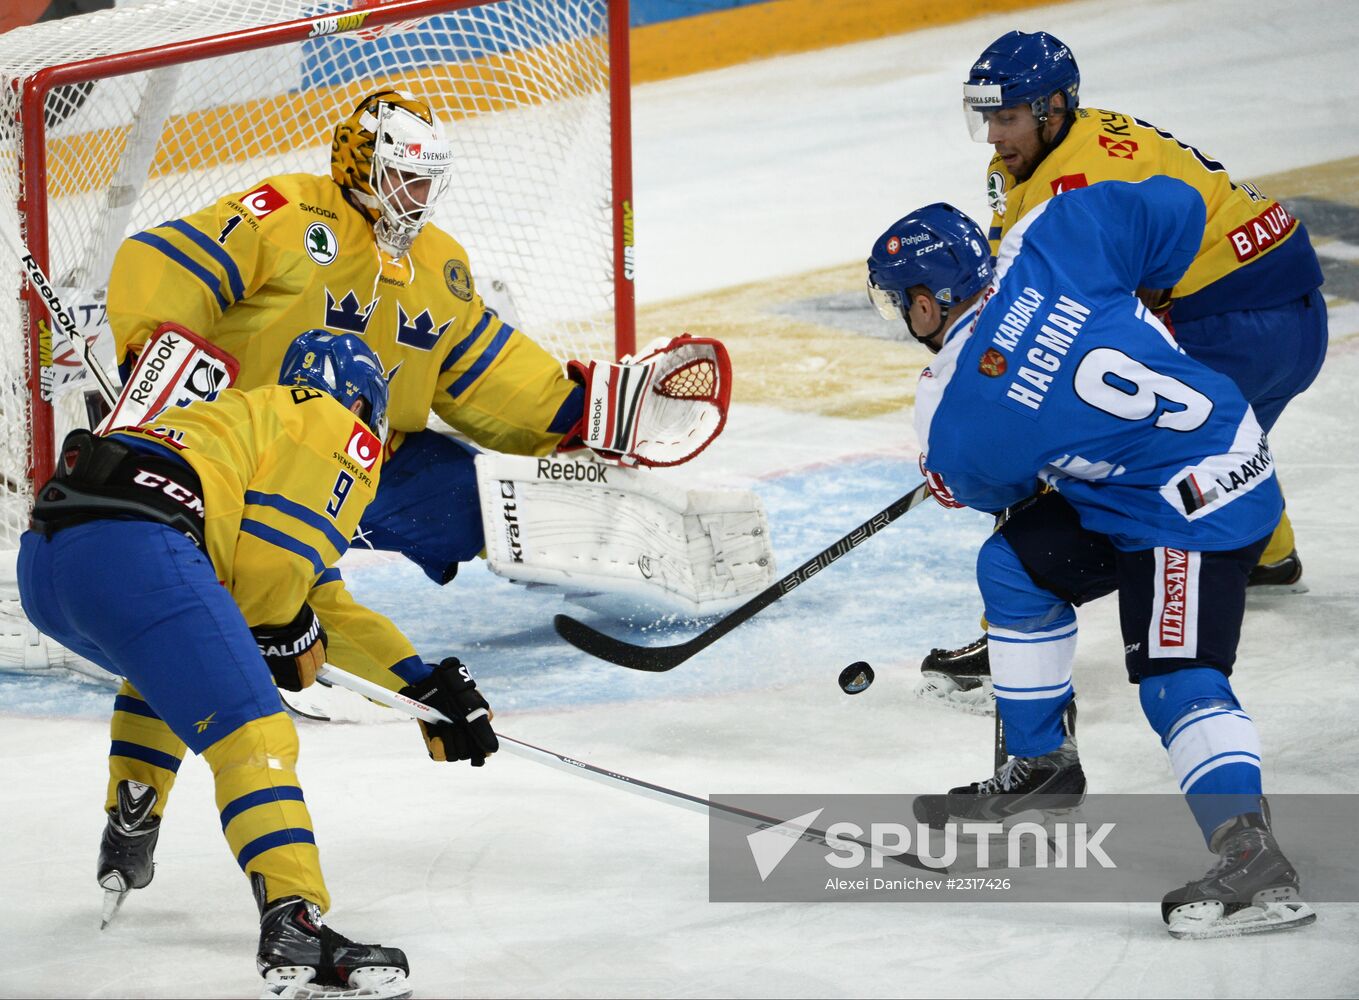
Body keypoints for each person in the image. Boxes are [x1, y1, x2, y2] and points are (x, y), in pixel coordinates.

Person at [865, 178, 1315, 938]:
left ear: (923, 302)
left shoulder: (954, 414)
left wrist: (955, 466)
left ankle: (1252, 856)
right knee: (1014, 564)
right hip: (1198, 452)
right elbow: (1177, 207)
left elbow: (988, 482)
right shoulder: (1056, 232)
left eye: (896, 303)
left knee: (1176, 679)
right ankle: (1042, 767)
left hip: (1195, 506)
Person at [18, 331, 498, 996]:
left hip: (47, 567)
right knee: (254, 734)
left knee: (171, 662)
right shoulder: (336, 430)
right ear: (365, 404)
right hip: (136, 549)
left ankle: (132, 817)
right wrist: (280, 633)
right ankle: (293, 922)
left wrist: (420, 684)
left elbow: (318, 599)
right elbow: (274, 583)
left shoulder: (247, 421)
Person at [921, 30, 1329, 709]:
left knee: (1085, 442)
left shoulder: (1075, 181)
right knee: (1211, 436)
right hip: (1286, 313)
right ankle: (1269, 552)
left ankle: (1008, 629)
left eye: (1008, 116)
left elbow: (1062, 319)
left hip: (1239, 321)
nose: (993, 134)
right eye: (986, 117)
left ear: (1053, 108)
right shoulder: (1068, 142)